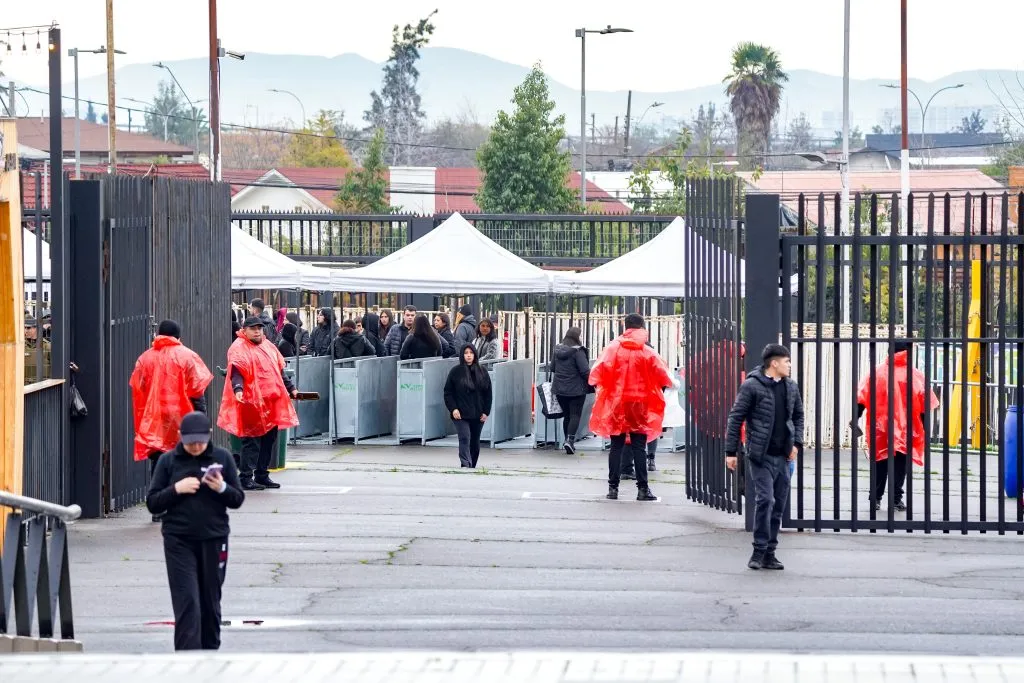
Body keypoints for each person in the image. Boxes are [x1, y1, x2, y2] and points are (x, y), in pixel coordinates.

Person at [146, 412, 244, 651]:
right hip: (179, 540)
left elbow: (237, 498)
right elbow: (153, 502)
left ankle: (210, 653)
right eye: (191, 443)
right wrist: (176, 489)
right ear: (181, 437)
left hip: (214, 538)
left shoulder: (222, 457)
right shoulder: (168, 461)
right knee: (187, 600)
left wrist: (221, 487)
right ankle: (187, 658)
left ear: (209, 436)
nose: (196, 447)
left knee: (210, 600)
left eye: (200, 442)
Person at [725, 344, 804, 571]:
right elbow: (736, 418)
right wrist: (730, 452)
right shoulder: (752, 385)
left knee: (778, 505)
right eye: (787, 361)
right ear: (774, 363)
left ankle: (770, 553)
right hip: (760, 455)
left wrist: (797, 443)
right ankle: (758, 551)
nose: (790, 365)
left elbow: (798, 416)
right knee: (766, 500)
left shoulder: (791, 387)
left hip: (784, 457)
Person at [130, 320, 214, 522]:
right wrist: (201, 418)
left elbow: (138, 386)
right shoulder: (188, 356)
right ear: (178, 336)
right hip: (181, 416)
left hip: (155, 417)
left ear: (158, 335)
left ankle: (158, 507)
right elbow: (197, 390)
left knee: (159, 460)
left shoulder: (145, 358)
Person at [589, 313, 673, 502]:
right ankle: (643, 489)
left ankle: (613, 488)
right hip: (639, 403)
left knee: (616, 446)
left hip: (617, 403)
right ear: (642, 327)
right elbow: (664, 376)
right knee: (639, 446)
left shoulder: (612, 348)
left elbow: (596, 373)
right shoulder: (647, 351)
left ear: (625, 327)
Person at [854, 341, 939, 513]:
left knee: (880, 462)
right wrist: (923, 428)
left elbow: (861, 398)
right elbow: (924, 404)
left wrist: (855, 418)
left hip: (880, 427)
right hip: (906, 429)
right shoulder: (915, 375)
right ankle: (895, 499)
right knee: (900, 465)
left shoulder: (876, 372)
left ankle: (875, 498)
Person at [218, 317, 300, 491]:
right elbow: (236, 372)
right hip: (251, 404)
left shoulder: (268, 346)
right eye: (253, 328)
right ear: (244, 330)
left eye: (259, 328)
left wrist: (291, 388)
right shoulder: (239, 348)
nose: (257, 331)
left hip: (271, 403)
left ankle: (262, 475)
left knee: (269, 440)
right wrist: (238, 389)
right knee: (251, 441)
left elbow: (279, 371)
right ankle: (246, 477)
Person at [444, 344, 492, 468]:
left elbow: (488, 393)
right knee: (465, 437)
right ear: (462, 355)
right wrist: (453, 409)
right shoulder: (455, 372)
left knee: (475, 441)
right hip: (460, 414)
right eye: (466, 353)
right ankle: (466, 464)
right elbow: (448, 392)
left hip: (478, 413)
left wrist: (486, 412)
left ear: (475, 354)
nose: (469, 355)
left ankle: (472, 466)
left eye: (471, 353)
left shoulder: (482, 371)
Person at [550, 327, 590, 455]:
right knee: (575, 415)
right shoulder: (578, 351)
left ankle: (567, 440)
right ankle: (570, 440)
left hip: (559, 389)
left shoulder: (557, 349)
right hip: (576, 389)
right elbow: (585, 371)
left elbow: (552, 368)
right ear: (577, 337)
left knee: (567, 416)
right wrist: (594, 382)